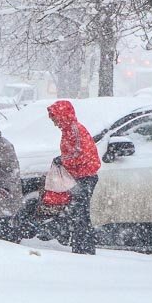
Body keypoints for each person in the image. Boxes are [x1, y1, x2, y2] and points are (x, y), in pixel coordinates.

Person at [47, 100, 101, 255]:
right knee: (79, 214)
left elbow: (78, 153)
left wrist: (63, 160)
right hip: (80, 176)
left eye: (55, 119)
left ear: (62, 116)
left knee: (81, 215)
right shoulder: (69, 130)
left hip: (84, 177)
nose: (55, 123)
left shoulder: (74, 130)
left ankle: (84, 249)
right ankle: (81, 247)